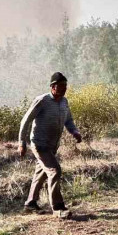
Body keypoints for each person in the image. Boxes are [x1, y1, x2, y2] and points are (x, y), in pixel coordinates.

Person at [18, 72, 82, 218]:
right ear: (52, 87)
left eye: (65, 86)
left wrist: (75, 132)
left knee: (40, 174)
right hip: (40, 144)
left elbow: (68, 120)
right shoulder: (42, 100)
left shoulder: (64, 102)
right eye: (60, 86)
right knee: (55, 171)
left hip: (53, 145)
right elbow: (25, 121)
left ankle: (30, 203)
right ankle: (58, 208)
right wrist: (21, 142)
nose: (64, 89)